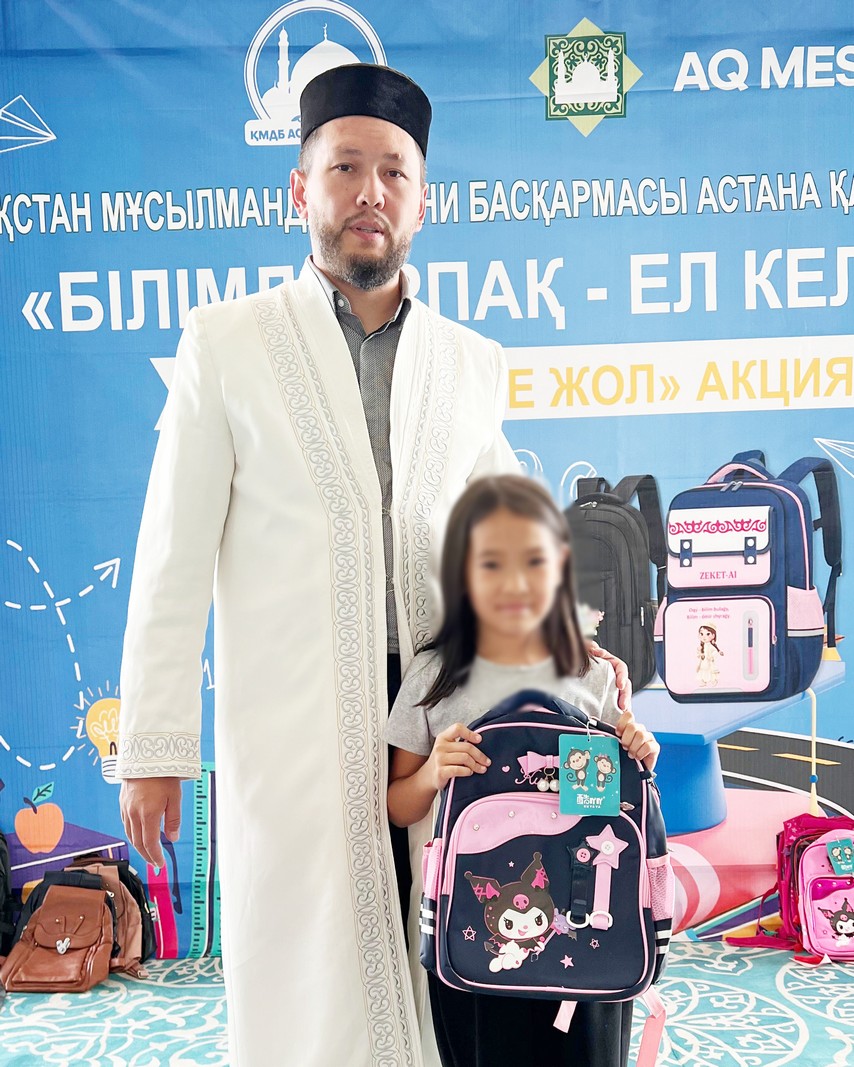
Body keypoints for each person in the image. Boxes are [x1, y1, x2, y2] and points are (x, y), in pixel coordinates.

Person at [115, 63, 628, 1067]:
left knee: (458, 936)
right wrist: (153, 743)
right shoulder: (226, 343)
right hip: (296, 713)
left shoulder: (469, 360)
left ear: (421, 201)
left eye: (393, 172)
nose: (369, 192)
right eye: (344, 167)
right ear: (298, 190)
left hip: (445, 703)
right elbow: (170, 552)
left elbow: (510, 528)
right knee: (306, 961)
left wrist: (573, 649)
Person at [386, 474, 659, 1067]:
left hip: (585, 919)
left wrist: (639, 750)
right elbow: (398, 807)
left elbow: (614, 805)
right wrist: (432, 773)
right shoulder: (434, 676)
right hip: (473, 928)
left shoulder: (591, 672)